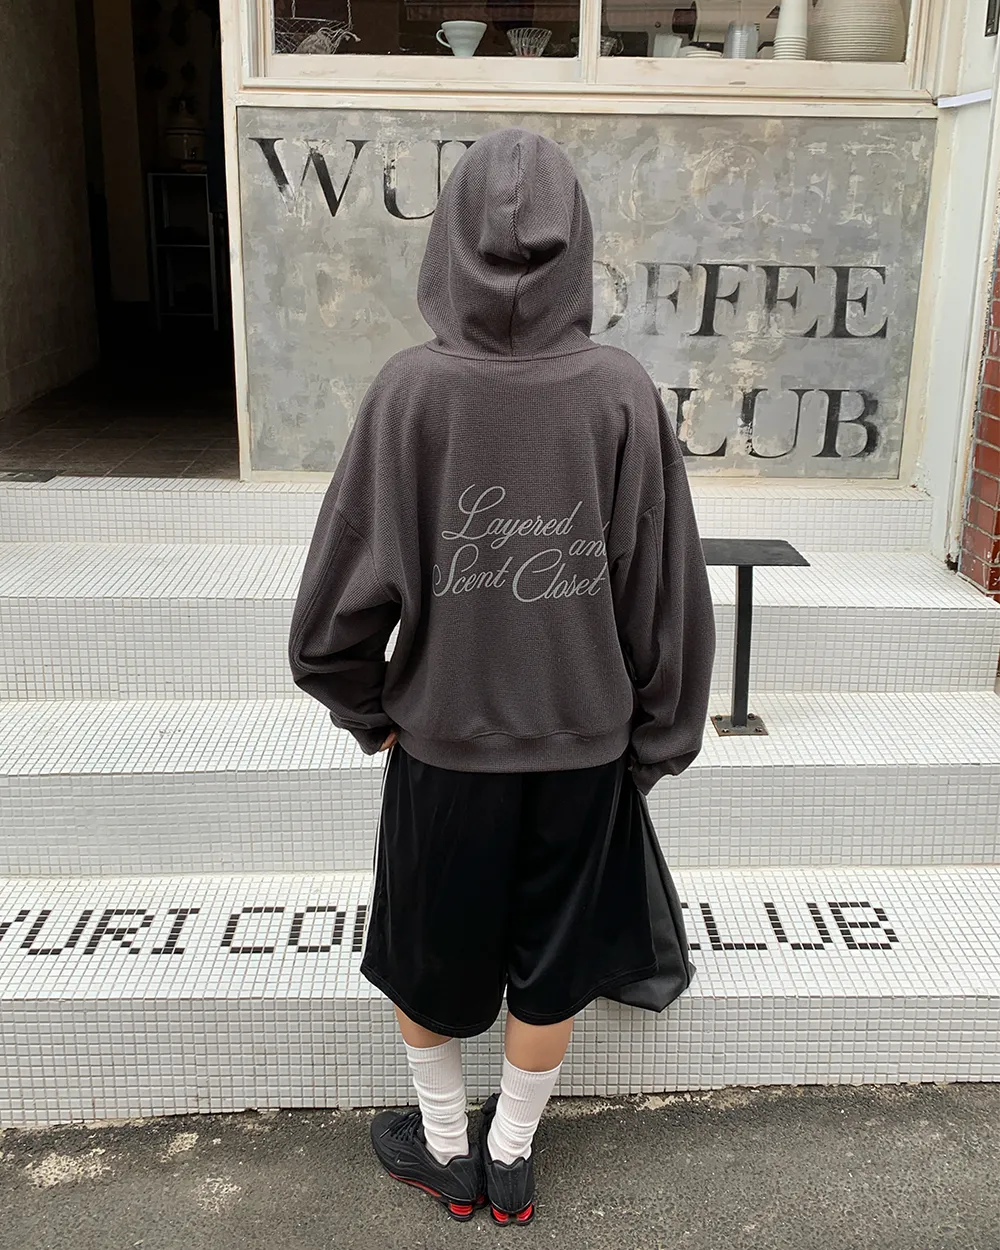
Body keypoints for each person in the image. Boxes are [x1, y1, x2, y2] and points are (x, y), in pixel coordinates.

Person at [288, 127, 715, 1226]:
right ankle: (510, 1157)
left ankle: (446, 1147)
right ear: (580, 244)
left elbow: (338, 597)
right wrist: (655, 738)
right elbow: (663, 588)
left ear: (447, 241)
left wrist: (366, 705)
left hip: (443, 752)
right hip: (583, 752)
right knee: (554, 962)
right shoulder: (621, 394)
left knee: (425, 959)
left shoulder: (409, 393)